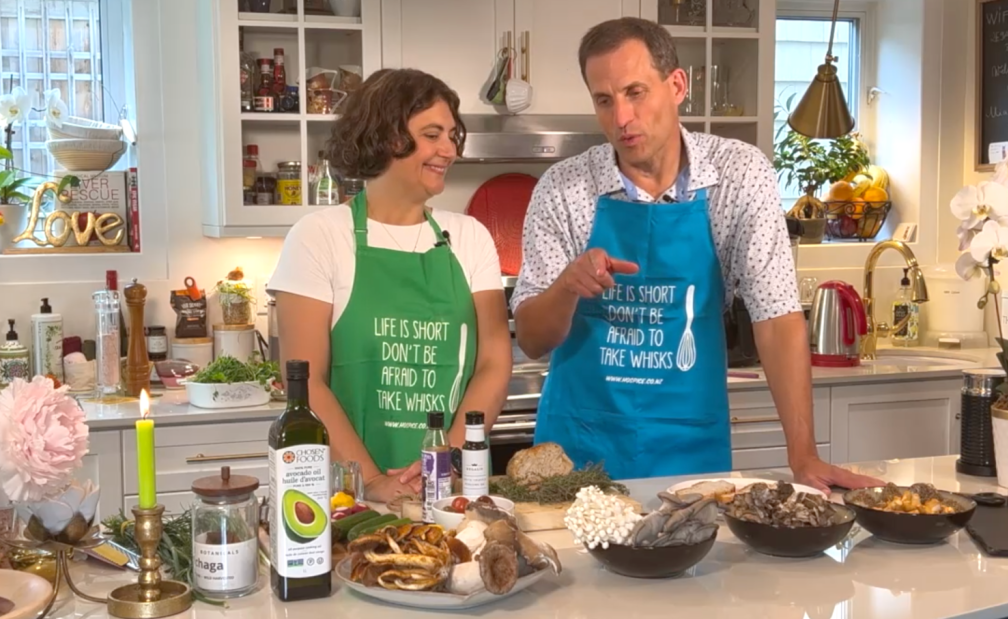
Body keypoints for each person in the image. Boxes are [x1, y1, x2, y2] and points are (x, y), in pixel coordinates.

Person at [510, 17, 881, 493]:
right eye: (604, 100)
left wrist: (803, 455)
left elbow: (777, 317)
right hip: (577, 453)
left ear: (677, 85)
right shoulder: (562, 188)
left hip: (689, 449)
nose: (621, 118)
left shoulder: (739, 175)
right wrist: (566, 287)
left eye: (635, 92)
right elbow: (533, 339)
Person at [268, 68, 512, 503]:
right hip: (350, 498)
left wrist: (446, 460)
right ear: (384, 137)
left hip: (453, 493)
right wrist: (374, 481)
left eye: (452, 136)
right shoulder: (320, 236)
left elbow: (493, 361)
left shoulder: (470, 237)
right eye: (432, 135)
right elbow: (304, 383)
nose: (449, 150)